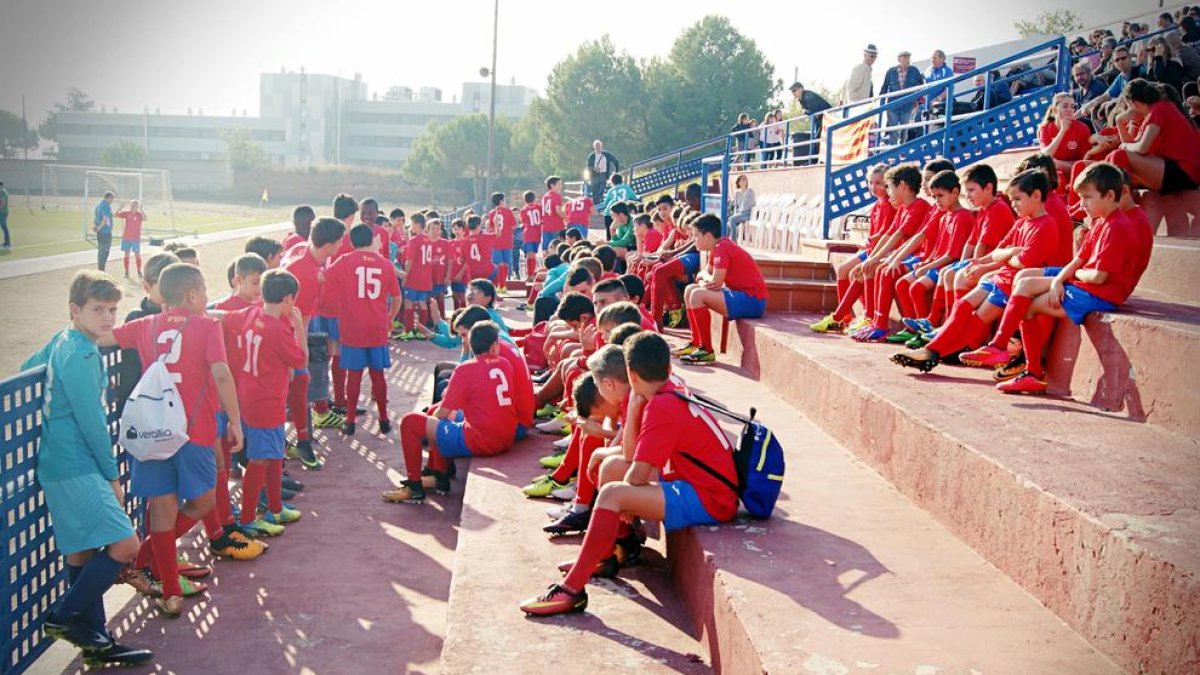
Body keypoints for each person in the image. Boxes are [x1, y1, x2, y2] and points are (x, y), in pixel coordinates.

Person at [519, 332, 737, 617]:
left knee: (613, 493)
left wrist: (628, 501)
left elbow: (636, 476)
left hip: (710, 498)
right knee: (610, 469)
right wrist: (634, 406)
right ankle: (605, 555)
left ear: (631, 375)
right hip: (692, 480)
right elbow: (633, 458)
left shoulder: (663, 405)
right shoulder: (667, 389)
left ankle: (572, 590)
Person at [21, 271, 153, 666]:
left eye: (112, 309)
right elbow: (91, 419)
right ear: (75, 310)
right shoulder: (81, 353)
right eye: (99, 310)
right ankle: (62, 618)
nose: (109, 318)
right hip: (76, 463)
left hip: (59, 463)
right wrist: (113, 477)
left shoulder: (65, 339)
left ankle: (96, 642)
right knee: (126, 544)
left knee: (81, 554)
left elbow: (30, 365)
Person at [102, 263, 243, 617]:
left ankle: (166, 590)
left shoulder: (145, 325)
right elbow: (222, 374)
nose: (208, 299)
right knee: (203, 500)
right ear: (192, 295)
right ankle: (149, 566)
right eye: (205, 293)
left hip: (153, 432)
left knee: (162, 510)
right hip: (193, 432)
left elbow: (104, 337)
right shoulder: (208, 326)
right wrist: (236, 422)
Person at [993, 163, 1144, 394]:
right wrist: (1058, 280)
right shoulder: (1100, 221)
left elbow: (1098, 277)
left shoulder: (1117, 227)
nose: (1081, 204)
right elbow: (1078, 260)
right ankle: (999, 346)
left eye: (1087, 198)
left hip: (1100, 294)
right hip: (1084, 283)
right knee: (1024, 281)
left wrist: (1067, 279)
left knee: (1029, 307)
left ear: (1110, 195)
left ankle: (1030, 370)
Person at [891, 169, 1059, 373]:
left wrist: (1004, 257)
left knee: (975, 320)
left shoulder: (1047, 224)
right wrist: (994, 259)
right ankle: (932, 350)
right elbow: (1000, 251)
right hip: (1001, 277)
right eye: (1012, 199)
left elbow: (1023, 262)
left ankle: (933, 352)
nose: (1013, 204)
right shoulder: (1022, 223)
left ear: (1036, 196)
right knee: (962, 305)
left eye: (1017, 199)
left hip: (1012, 284)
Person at [383, 321, 518, 504]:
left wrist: (430, 434)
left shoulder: (466, 369)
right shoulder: (505, 364)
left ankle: (414, 486)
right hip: (507, 436)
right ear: (495, 346)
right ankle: (439, 475)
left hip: (482, 440)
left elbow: (444, 412)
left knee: (410, 422)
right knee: (435, 415)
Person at [225, 269, 308, 535]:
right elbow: (301, 360)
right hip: (266, 401)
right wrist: (299, 330)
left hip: (250, 395)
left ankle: (274, 507)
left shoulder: (253, 312)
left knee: (274, 456)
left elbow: (226, 318)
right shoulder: (277, 329)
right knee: (260, 459)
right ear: (287, 299)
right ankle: (249, 517)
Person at [282, 216, 348, 467]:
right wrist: (299, 356)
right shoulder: (307, 274)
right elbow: (302, 320)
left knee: (299, 386)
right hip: (284, 338)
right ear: (329, 245)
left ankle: (299, 439)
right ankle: (298, 443)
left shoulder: (302, 254)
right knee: (299, 382)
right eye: (340, 241)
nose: (343, 244)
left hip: (283, 333)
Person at [325, 223, 402, 435]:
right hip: (377, 328)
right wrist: (390, 319)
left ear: (352, 242)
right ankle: (384, 420)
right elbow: (397, 297)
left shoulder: (345, 261)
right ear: (372, 239)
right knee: (378, 376)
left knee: (354, 375)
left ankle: (350, 421)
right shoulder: (385, 264)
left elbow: (324, 279)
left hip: (352, 328)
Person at [677, 214, 768, 364]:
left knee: (697, 295)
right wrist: (705, 278)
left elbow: (715, 282)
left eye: (696, 235)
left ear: (707, 236)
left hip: (753, 300)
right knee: (690, 290)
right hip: (741, 296)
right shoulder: (717, 247)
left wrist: (705, 278)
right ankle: (696, 343)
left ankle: (706, 350)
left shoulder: (722, 247)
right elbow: (705, 274)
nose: (694, 240)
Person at [1110, 78, 1200, 194]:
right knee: (1113, 160)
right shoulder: (1151, 113)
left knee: (1119, 156)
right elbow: (1134, 148)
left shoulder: (1159, 108)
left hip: (1186, 171)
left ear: (1132, 103)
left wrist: (1125, 146)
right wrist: (1119, 121)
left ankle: (1122, 206)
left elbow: (1142, 148)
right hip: (1172, 168)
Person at [1039, 93, 1093, 182]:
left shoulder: (1082, 128)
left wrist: (1057, 163)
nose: (1069, 110)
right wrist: (1062, 131)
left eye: (1072, 107)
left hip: (1076, 172)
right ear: (1054, 110)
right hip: (1054, 173)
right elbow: (1046, 155)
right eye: (1065, 106)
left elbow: (1084, 162)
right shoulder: (1045, 128)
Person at [880, 51, 925, 145]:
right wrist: (882, 104)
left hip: (908, 105)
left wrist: (917, 100)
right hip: (893, 105)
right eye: (905, 57)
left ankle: (901, 150)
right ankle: (892, 151)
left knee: (904, 131)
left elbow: (920, 86)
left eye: (908, 57)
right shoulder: (891, 72)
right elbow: (885, 87)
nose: (907, 60)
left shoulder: (914, 71)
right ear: (899, 59)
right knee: (893, 130)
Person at [788, 82, 833, 163]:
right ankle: (815, 159)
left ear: (801, 89)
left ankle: (815, 160)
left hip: (827, 117)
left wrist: (805, 111)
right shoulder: (802, 99)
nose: (793, 93)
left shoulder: (808, 96)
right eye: (792, 91)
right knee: (817, 138)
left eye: (794, 90)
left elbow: (816, 113)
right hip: (821, 119)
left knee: (818, 138)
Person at [486, 192, 516, 291]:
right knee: (506, 263)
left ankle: (500, 285)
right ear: (501, 201)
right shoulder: (508, 211)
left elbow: (489, 228)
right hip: (507, 240)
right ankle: (503, 285)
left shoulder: (491, 213)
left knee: (499, 264)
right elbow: (513, 226)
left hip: (496, 242)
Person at [114, 200, 147, 279]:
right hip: (126, 238)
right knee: (126, 255)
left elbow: (145, 219)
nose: (134, 207)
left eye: (135, 205)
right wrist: (120, 207)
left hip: (135, 239)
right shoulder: (127, 213)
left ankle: (139, 271)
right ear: (130, 205)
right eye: (132, 205)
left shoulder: (139, 214)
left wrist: (141, 210)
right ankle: (126, 272)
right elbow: (115, 215)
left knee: (137, 255)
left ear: (137, 206)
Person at [600, 173, 637, 237]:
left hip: (610, 213)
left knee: (609, 234)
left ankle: (609, 243)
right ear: (621, 181)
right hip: (623, 213)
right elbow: (634, 199)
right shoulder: (627, 188)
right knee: (624, 234)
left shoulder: (611, 190)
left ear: (612, 182)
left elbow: (606, 203)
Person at [519, 191, 543, 278]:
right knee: (533, 254)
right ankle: (531, 273)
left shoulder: (523, 210)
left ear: (525, 200)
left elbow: (523, 221)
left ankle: (529, 273)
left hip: (528, 233)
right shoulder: (540, 207)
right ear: (534, 198)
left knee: (529, 255)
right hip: (537, 233)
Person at [727, 174, 756, 243]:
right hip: (739, 214)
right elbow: (736, 206)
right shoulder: (737, 193)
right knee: (728, 224)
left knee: (731, 219)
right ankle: (727, 242)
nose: (744, 181)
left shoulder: (750, 191)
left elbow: (752, 204)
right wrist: (736, 214)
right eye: (742, 179)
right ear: (738, 182)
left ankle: (734, 242)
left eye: (745, 179)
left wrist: (741, 212)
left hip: (748, 213)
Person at [540, 176, 567, 251]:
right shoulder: (557, 196)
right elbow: (558, 211)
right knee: (558, 249)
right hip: (556, 226)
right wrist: (567, 217)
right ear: (552, 185)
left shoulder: (545, 196)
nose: (561, 186)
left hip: (546, 226)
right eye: (559, 184)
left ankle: (546, 262)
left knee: (546, 249)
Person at [93, 192, 115, 271]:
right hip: (105, 232)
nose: (113, 201)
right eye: (112, 199)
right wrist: (99, 228)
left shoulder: (98, 206)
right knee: (104, 251)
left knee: (101, 251)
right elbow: (105, 219)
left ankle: (101, 268)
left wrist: (96, 227)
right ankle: (101, 269)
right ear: (109, 198)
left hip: (100, 233)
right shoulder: (106, 206)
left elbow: (95, 219)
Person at [0, 180, 11, 248]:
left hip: (3, 212)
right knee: (4, 227)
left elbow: (2, 203)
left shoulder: (3, 192)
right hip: (3, 212)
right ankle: (7, 242)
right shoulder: (3, 192)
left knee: (4, 227)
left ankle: (7, 243)